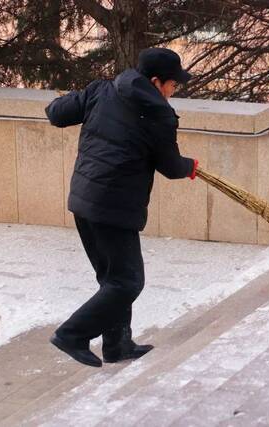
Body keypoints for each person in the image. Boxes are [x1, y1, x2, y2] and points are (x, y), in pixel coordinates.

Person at [44, 47, 199, 367]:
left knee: (113, 278)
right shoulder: (159, 113)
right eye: (172, 85)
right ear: (156, 82)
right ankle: (73, 334)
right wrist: (190, 166)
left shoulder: (102, 89)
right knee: (128, 282)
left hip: (84, 200)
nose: (174, 91)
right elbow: (170, 166)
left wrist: (74, 97)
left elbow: (56, 113)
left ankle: (117, 344)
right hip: (115, 207)